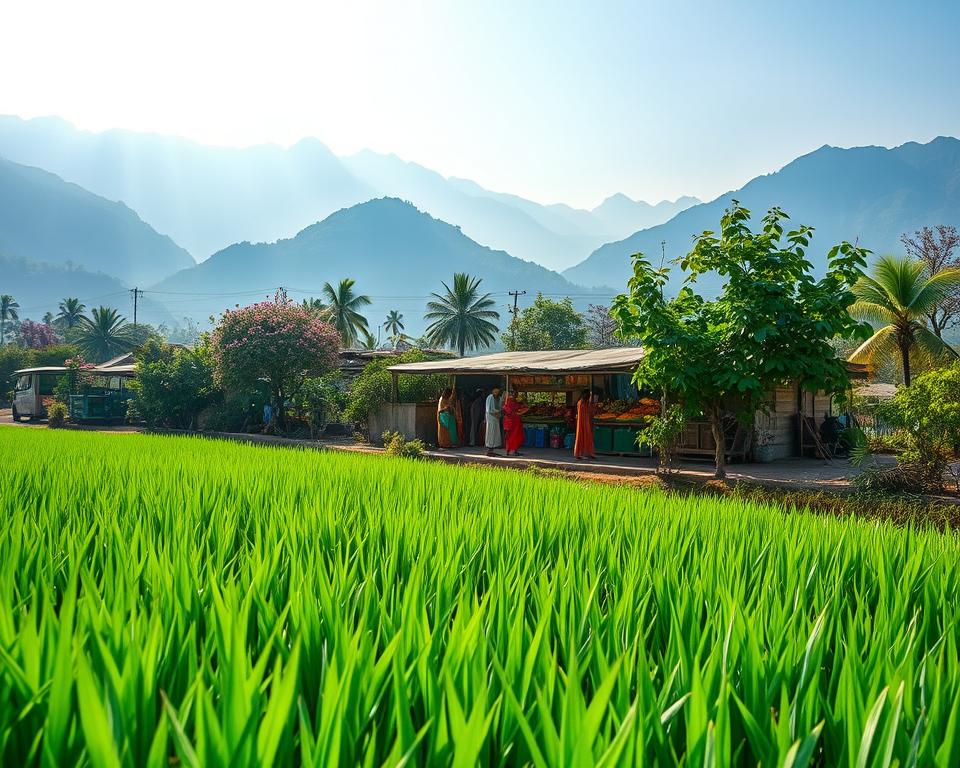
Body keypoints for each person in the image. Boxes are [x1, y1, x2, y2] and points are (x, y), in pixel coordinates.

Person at [502, 388, 527, 456]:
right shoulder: (509, 402)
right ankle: (511, 451)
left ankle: (511, 450)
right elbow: (511, 411)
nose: (514, 395)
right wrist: (520, 412)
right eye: (513, 393)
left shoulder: (511, 402)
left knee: (514, 436)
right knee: (512, 436)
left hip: (513, 422)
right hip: (512, 422)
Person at [573, 389, 597, 460]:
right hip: (582, 424)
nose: (589, 396)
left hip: (586, 423)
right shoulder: (581, 403)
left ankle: (589, 452)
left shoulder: (585, 403)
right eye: (588, 395)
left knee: (588, 438)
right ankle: (579, 453)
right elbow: (582, 415)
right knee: (581, 437)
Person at [485, 386, 502, 456]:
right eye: (495, 391)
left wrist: (498, 415)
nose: (496, 393)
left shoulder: (498, 398)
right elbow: (489, 410)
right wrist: (496, 415)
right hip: (491, 418)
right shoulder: (490, 397)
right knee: (491, 433)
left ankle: (492, 449)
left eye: (497, 392)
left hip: (495, 418)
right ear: (492, 391)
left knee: (495, 433)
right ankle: (489, 449)